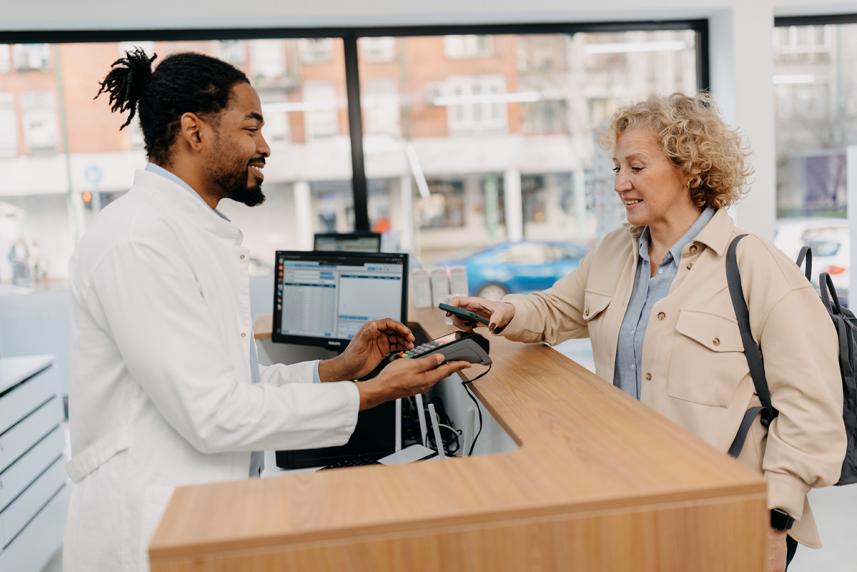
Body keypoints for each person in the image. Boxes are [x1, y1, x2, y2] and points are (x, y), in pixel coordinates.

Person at [64, 48, 470, 572]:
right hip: (149, 528)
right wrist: (373, 392)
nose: (265, 147)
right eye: (251, 128)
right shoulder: (139, 243)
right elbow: (214, 415)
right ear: (195, 131)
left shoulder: (186, 232)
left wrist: (338, 370)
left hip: (198, 510)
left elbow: (236, 389)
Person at [448, 93, 845, 572]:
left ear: (689, 168)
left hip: (728, 509)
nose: (620, 184)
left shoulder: (755, 265)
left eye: (635, 167)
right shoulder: (616, 250)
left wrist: (773, 519)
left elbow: (812, 409)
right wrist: (503, 310)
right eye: (616, 169)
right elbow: (556, 308)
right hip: (637, 495)